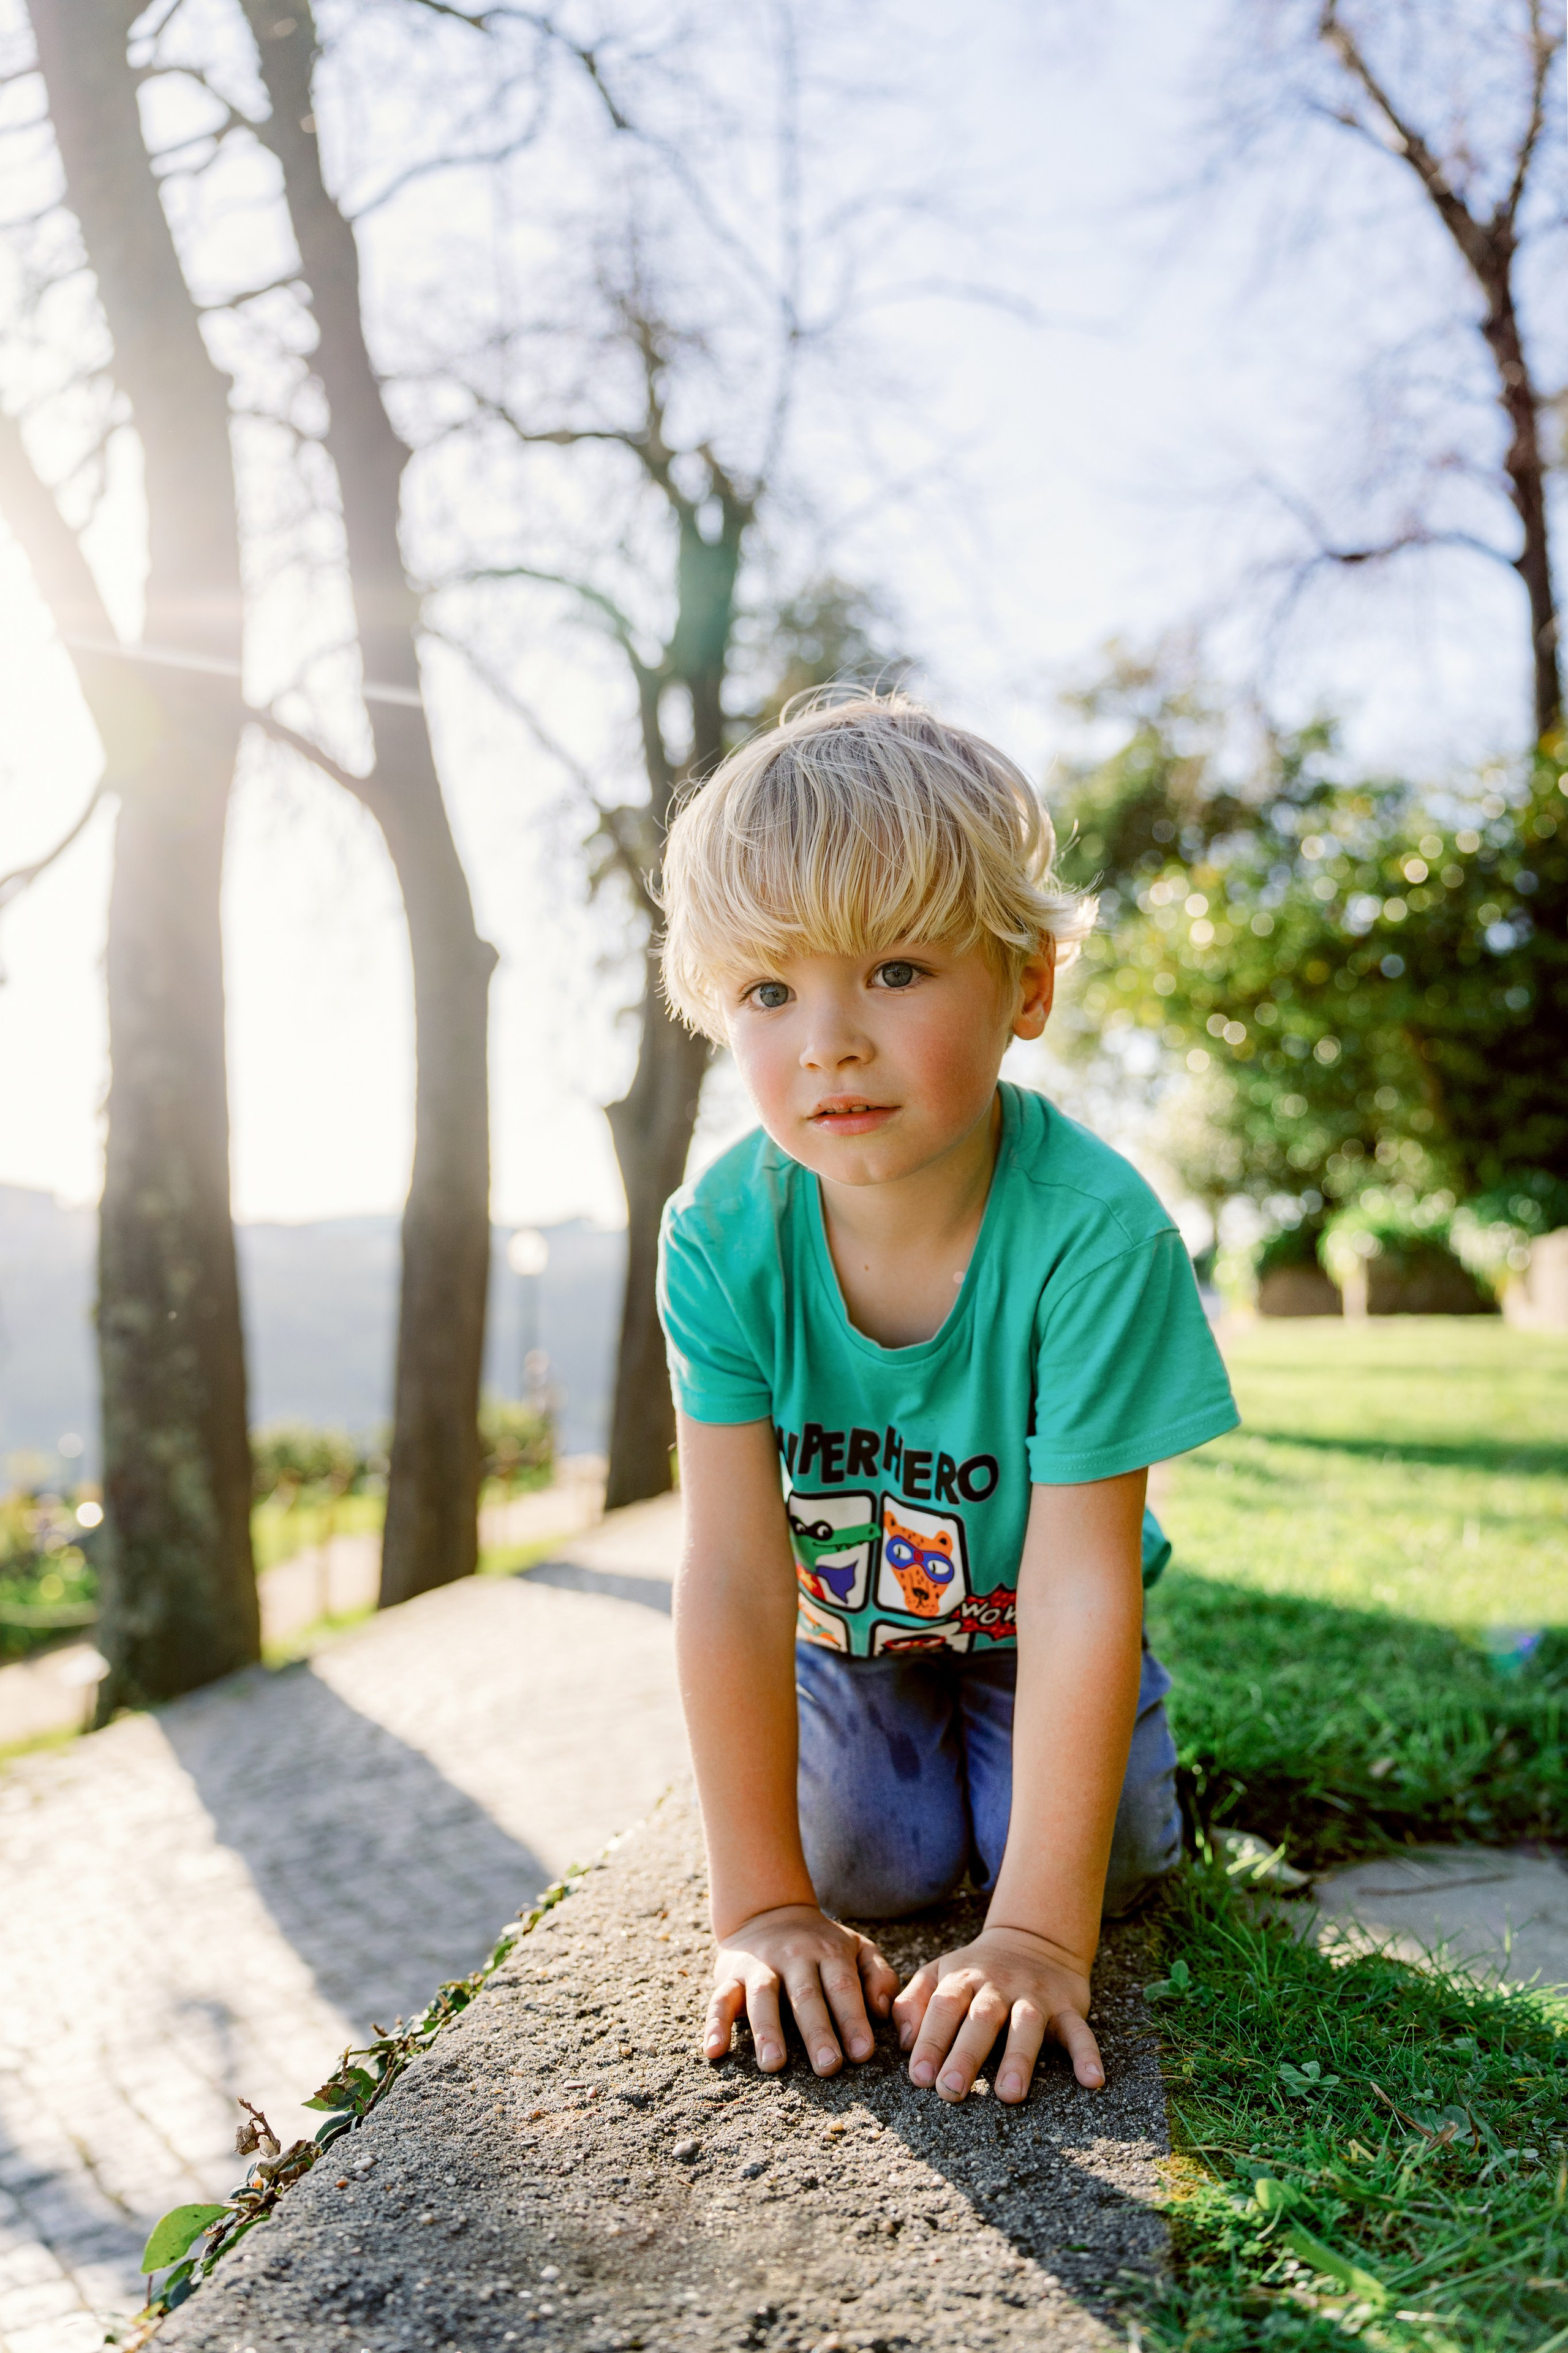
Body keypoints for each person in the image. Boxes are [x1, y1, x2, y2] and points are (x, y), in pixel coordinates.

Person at [655, 692, 1237, 2107]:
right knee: (867, 1868)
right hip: (848, 1634)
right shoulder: (720, 1234)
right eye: (768, 992)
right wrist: (758, 1909)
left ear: (1025, 986)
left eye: (897, 969)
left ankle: (1087, 1790)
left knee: (1124, 1863)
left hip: (1033, 1630)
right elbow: (733, 1572)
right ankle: (901, 1802)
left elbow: (1084, 1579)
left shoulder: (1092, 1233)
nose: (827, 1042)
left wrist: (1040, 1933)